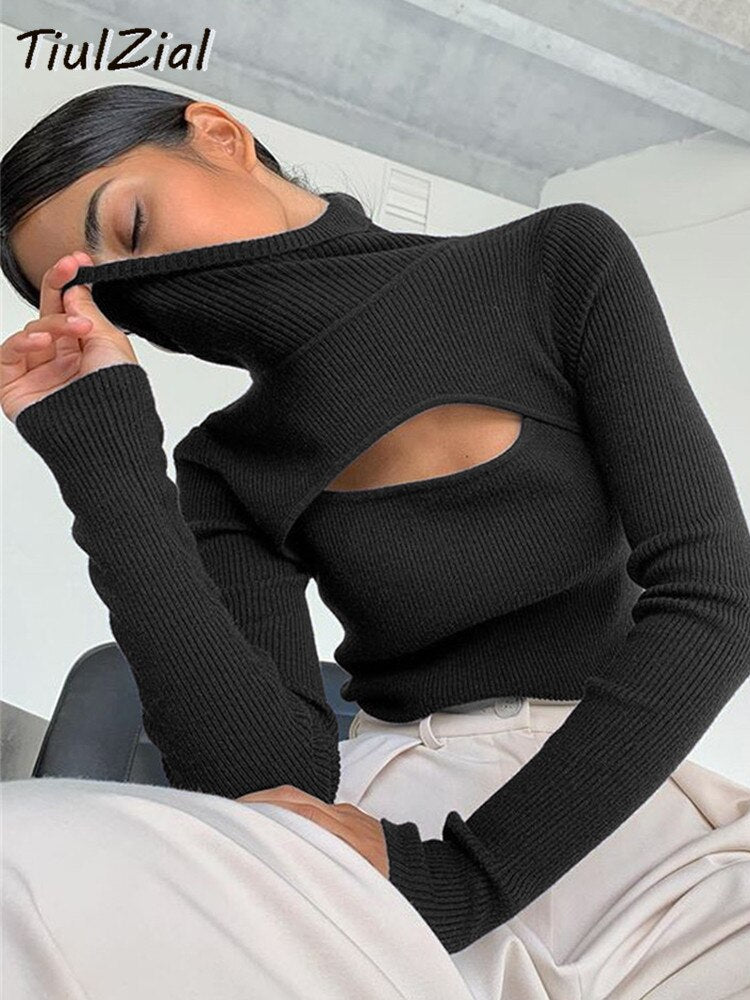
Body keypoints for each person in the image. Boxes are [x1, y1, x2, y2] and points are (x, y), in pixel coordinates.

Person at [2, 83, 750, 1000]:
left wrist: (468, 881)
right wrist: (104, 460)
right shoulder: (227, 463)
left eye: (133, 225)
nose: (145, 291)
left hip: (618, 812)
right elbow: (267, 782)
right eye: (107, 300)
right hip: (384, 821)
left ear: (220, 134)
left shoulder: (552, 263)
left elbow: (716, 598)